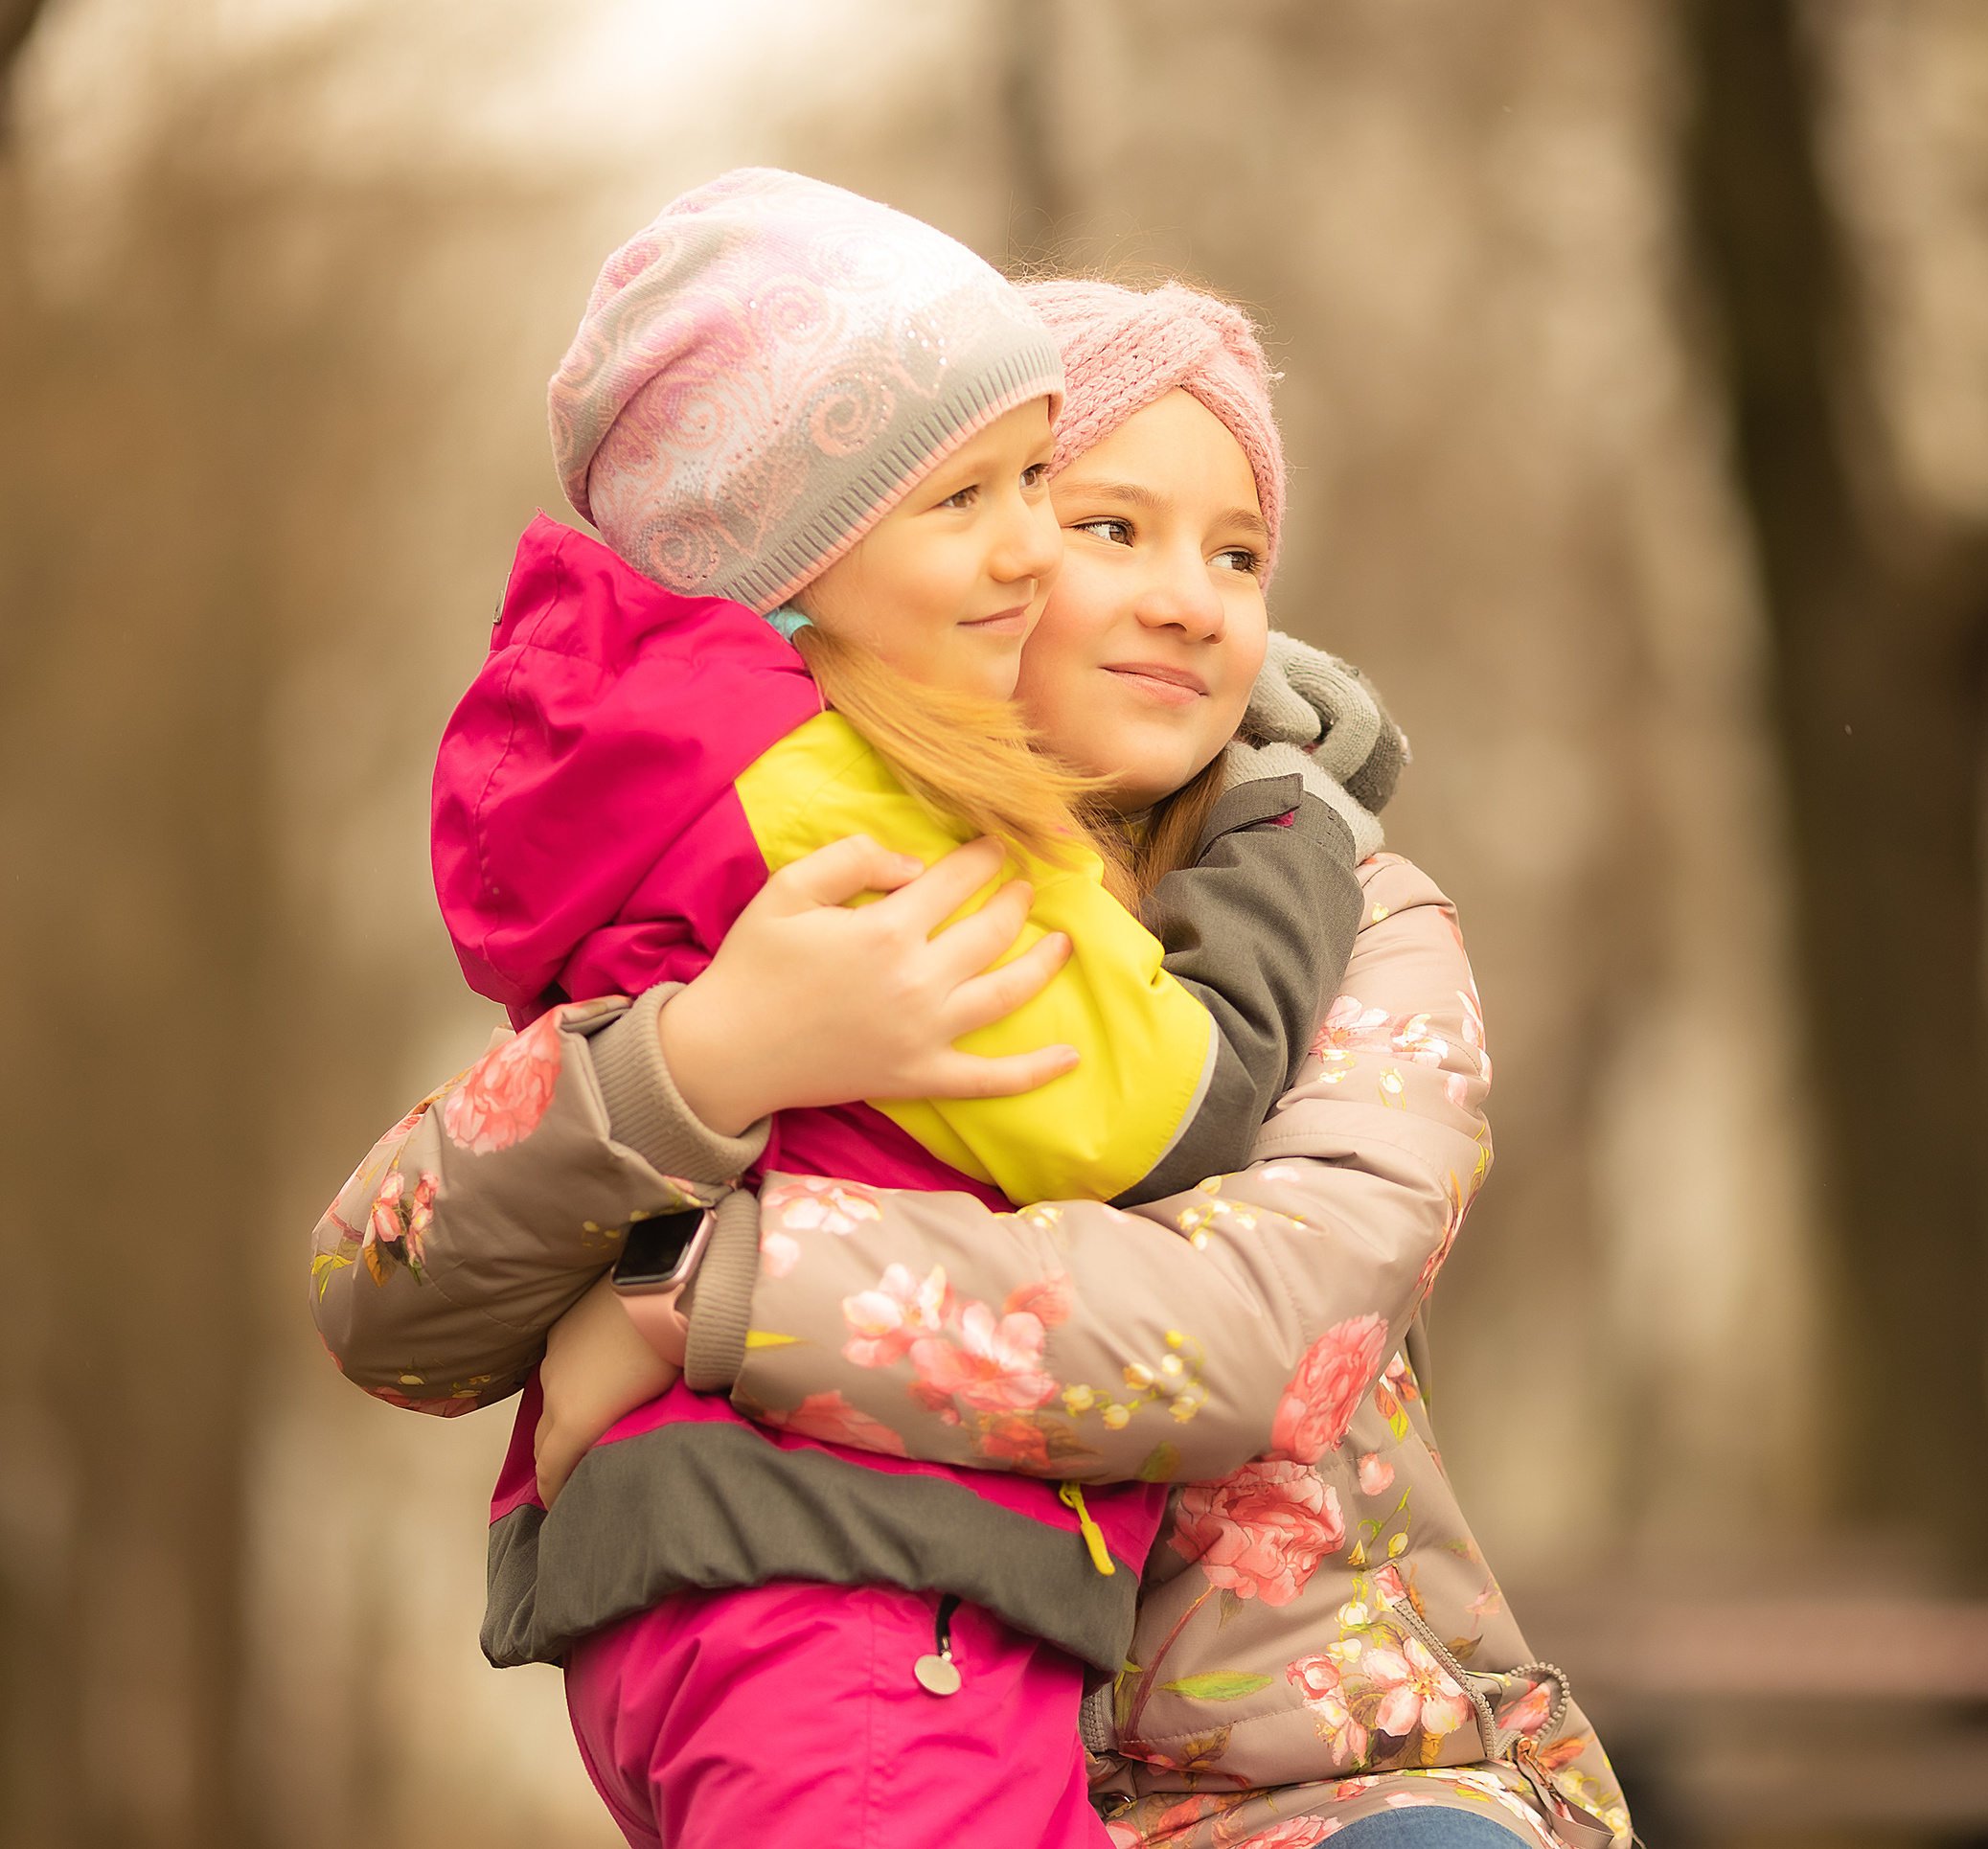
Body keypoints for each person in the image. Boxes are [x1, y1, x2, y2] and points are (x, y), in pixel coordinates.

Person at [313, 263, 1632, 1847]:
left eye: (1241, 553)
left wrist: (705, 1290)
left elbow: (1266, 1336)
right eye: (1108, 527)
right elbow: (387, 1293)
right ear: (957, 559)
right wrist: (709, 1056)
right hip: (881, 1735)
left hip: (1328, 1788)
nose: (1192, 597)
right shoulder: (795, 877)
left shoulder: (1364, 923)